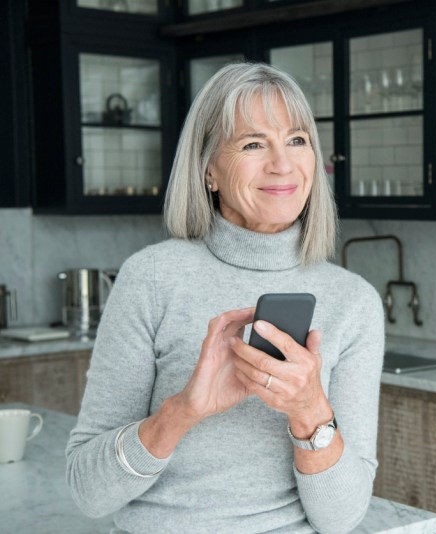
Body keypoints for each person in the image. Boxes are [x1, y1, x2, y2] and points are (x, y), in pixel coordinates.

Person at [66, 62, 385, 534]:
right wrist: (182, 411)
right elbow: (87, 492)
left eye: (297, 140)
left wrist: (310, 411)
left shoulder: (353, 301)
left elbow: (341, 519)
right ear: (209, 168)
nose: (282, 163)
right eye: (254, 144)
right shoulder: (151, 278)